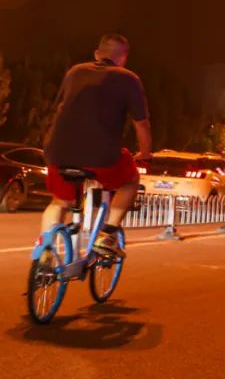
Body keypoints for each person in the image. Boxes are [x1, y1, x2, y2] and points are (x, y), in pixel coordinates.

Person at [40, 33, 152, 258]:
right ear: (123, 57)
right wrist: (146, 153)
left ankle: (45, 253)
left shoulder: (75, 71)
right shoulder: (128, 78)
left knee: (60, 202)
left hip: (58, 151)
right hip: (101, 156)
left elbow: (60, 106)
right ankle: (107, 234)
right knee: (130, 180)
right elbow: (141, 124)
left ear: (97, 54)